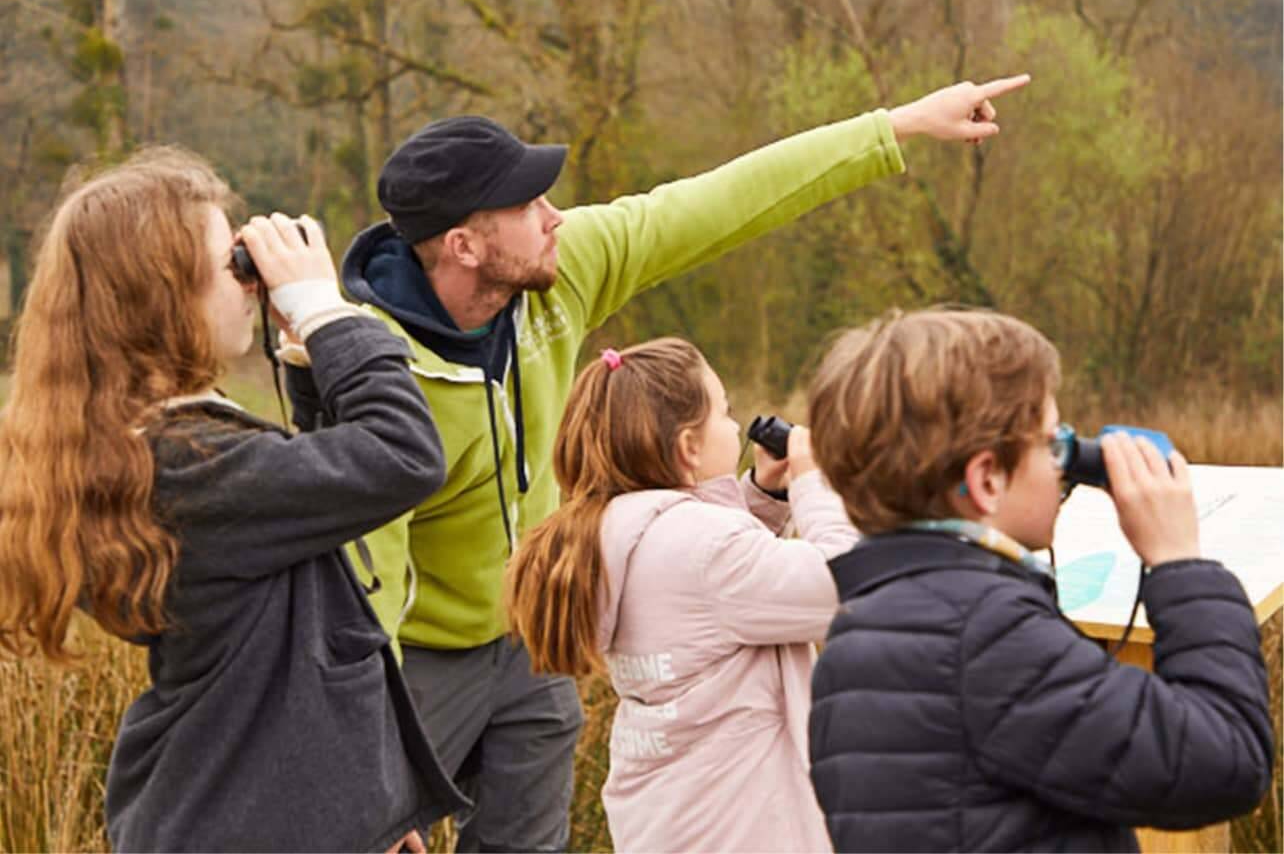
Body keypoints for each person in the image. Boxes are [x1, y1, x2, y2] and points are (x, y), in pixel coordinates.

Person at [340, 73, 1031, 849]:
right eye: (527, 207)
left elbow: (720, 202)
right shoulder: (374, 368)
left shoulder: (557, 272)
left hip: (530, 643)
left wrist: (897, 126)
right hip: (415, 659)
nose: (555, 215)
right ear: (464, 245)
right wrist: (375, 787)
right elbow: (365, 574)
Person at [0, 147, 466, 852]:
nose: (252, 284)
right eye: (233, 265)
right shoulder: (186, 469)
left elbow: (313, 511)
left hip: (242, 810)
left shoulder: (155, 450)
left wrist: (364, 804)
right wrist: (326, 314)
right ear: (162, 298)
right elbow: (402, 455)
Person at [805, 308, 1274, 852]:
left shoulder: (858, 633)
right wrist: (1180, 564)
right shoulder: (985, 635)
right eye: (1052, 446)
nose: (1063, 468)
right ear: (986, 480)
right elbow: (1225, 761)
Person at [504, 337, 856, 852]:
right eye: (723, 411)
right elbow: (847, 583)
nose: (736, 427)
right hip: (745, 830)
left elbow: (707, 598)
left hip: (673, 822)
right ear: (689, 446)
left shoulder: (616, 532)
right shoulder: (704, 550)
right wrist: (812, 485)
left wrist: (765, 497)